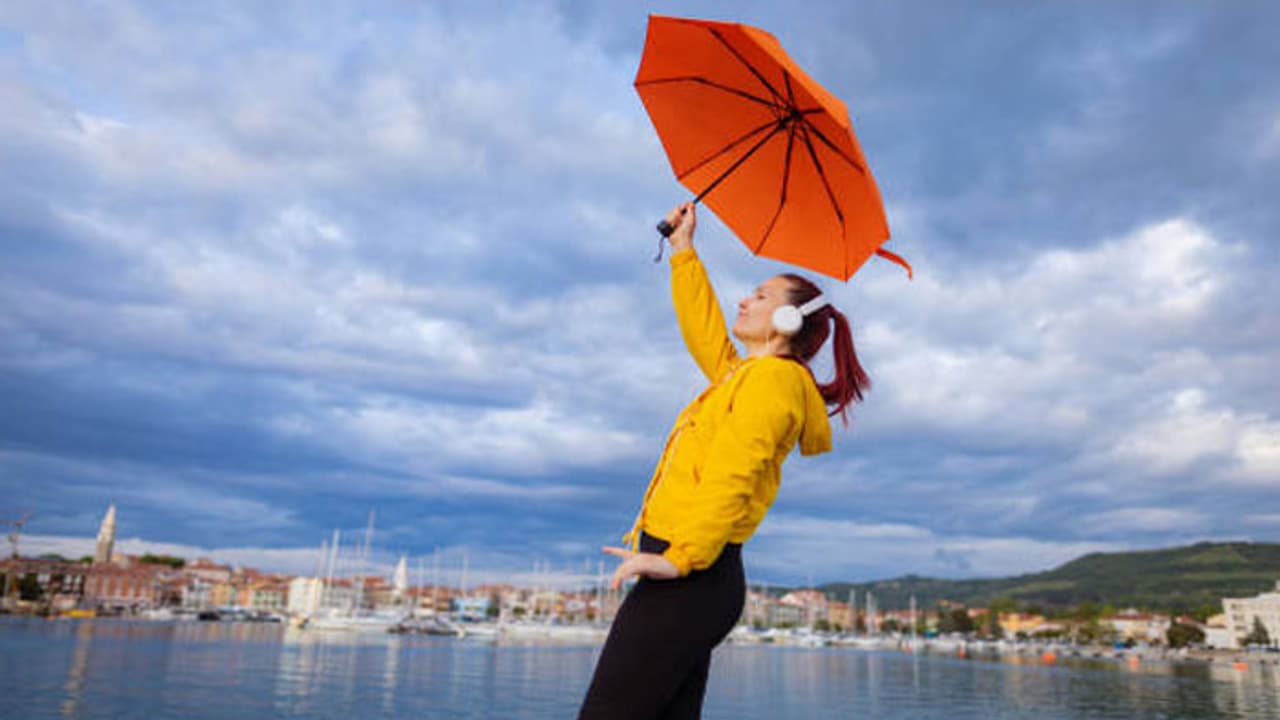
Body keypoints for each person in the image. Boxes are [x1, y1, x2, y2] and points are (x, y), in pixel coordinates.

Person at [578, 202, 872, 719]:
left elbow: (732, 475)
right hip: (696, 578)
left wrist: (679, 558)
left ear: (788, 319)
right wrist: (683, 250)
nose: (744, 300)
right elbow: (706, 334)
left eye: (760, 296)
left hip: (690, 576)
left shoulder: (773, 383)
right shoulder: (747, 378)